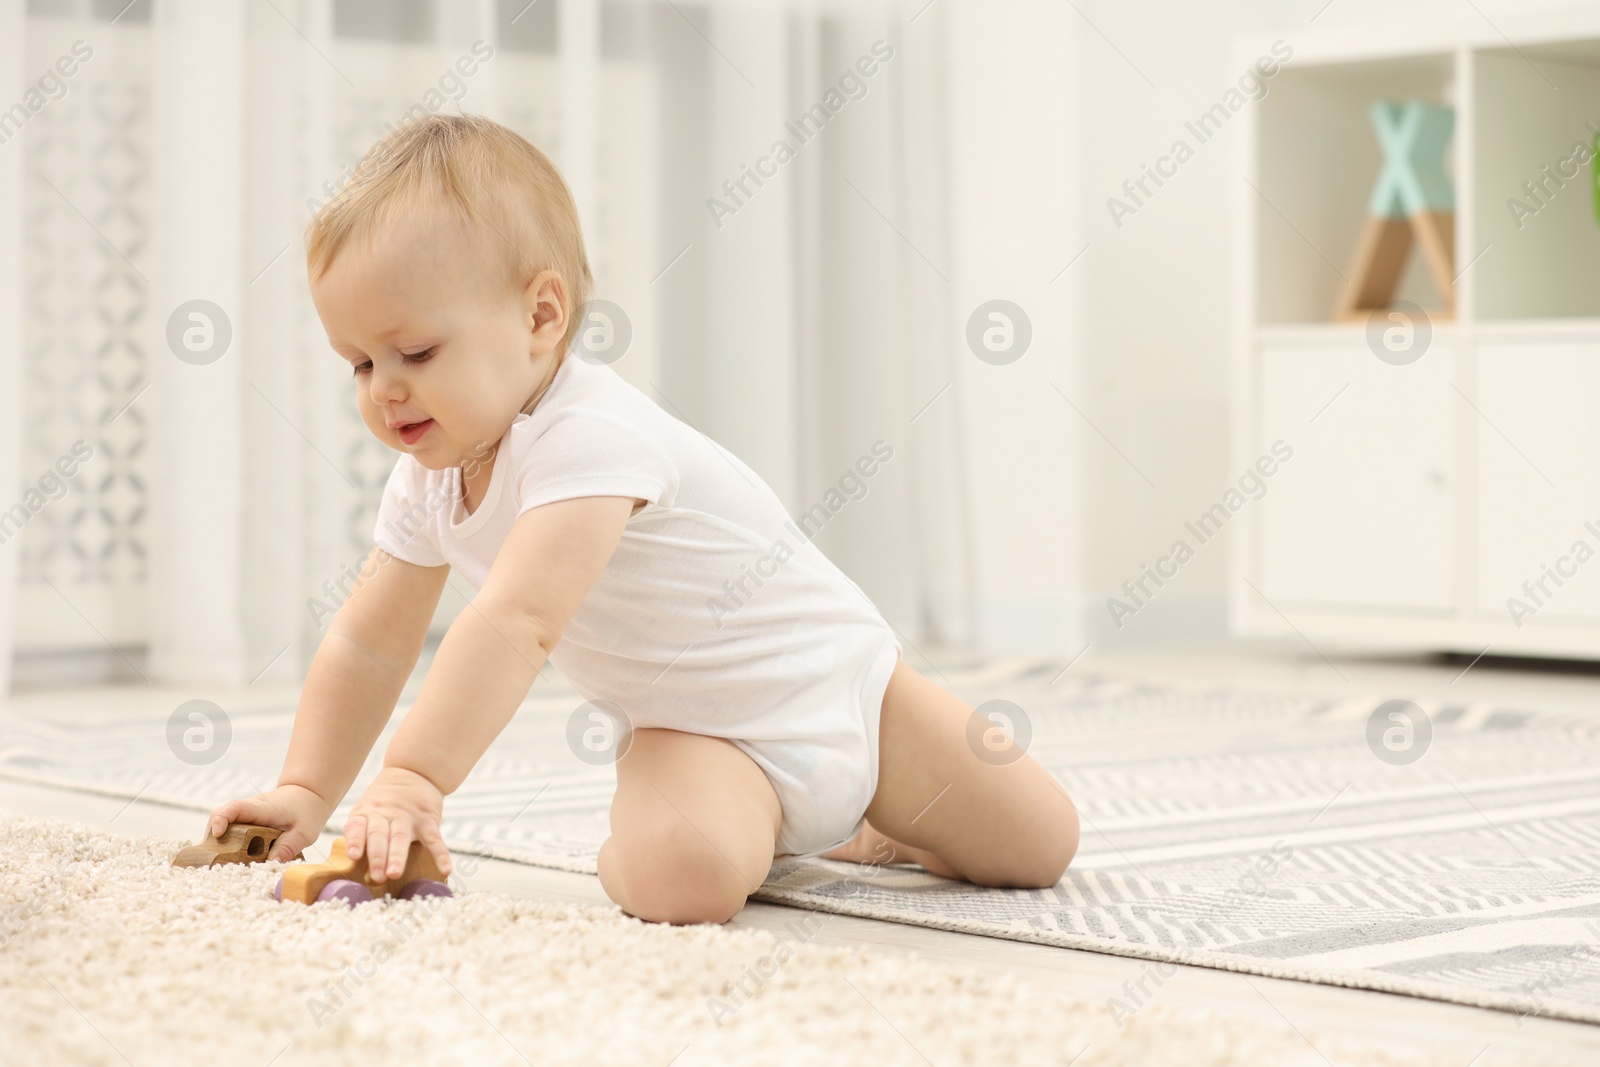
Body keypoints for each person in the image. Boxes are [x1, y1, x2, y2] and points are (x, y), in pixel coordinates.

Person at [203, 114, 1078, 925]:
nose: (383, 388)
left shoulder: (590, 435)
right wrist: (307, 790)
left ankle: (871, 826)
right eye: (358, 363)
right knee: (682, 879)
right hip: (697, 731)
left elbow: (517, 620)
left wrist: (413, 777)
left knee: (1041, 843)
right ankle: (726, 828)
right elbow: (368, 642)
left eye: (416, 352)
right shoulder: (426, 480)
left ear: (540, 316)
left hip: (850, 686)